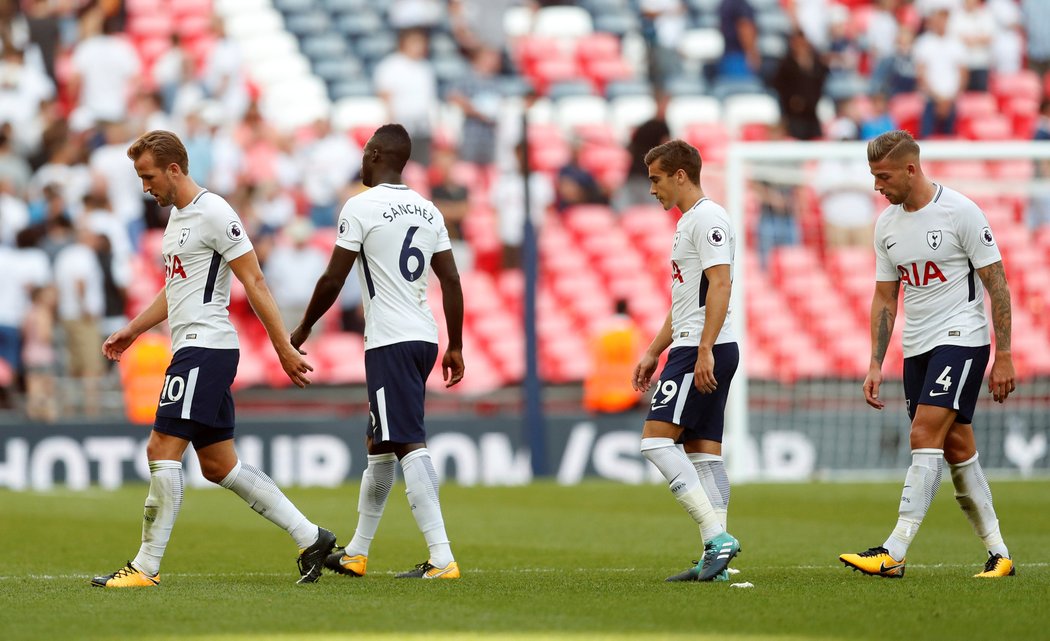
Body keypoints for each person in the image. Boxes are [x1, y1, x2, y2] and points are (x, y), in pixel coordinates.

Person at [91, 130, 336, 588]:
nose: (146, 187)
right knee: (219, 465)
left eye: (148, 177)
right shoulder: (178, 218)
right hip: (194, 347)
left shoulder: (215, 211)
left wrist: (283, 345)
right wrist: (133, 329)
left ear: (174, 169)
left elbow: (255, 281)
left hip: (207, 347)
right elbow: (176, 288)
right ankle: (311, 536)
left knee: (161, 448)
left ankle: (145, 567)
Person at [290, 124, 465, 580]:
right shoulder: (428, 210)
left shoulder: (360, 206)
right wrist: (457, 344)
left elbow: (333, 277)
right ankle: (357, 552)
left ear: (372, 154)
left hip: (389, 339)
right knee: (379, 442)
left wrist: (305, 325)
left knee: (406, 439)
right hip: (423, 336)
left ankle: (442, 557)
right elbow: (450, 279)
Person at [840, 130, 1017, 579]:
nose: (877, 187)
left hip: (962, 336)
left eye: (883, 177)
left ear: (910, 169)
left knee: (923, 434)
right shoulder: (887, 225)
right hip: (917, 347)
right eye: (873, 178)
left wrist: (1006, 354)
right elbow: (885, 298)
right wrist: (876, 361)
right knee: (957, 448)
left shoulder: (960, 212)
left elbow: (997, 283)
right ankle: (1000, 554)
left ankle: (893, 551)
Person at [631, 139, 741, 582]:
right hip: (696, 345)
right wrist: (654, 350)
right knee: (704, 455)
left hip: (702, 348)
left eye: (656, 180)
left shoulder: (708, 218)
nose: (652, 189)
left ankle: (717, 538)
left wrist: (704, 350)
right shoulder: (688, 223)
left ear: (680, 175)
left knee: (655, 442)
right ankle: (715, 563)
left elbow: (721, 286)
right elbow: (685, 300)